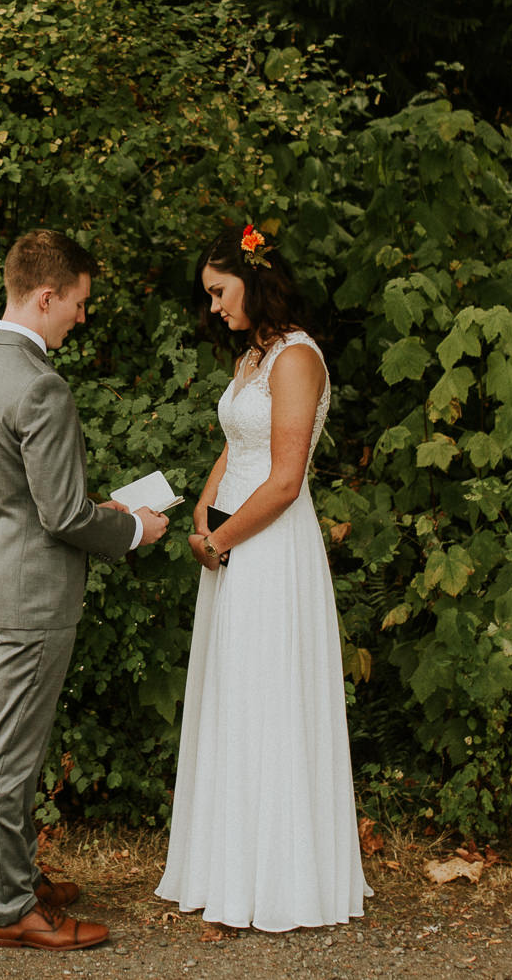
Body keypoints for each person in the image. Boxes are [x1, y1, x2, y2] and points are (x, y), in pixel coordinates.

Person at [0, 229, 171, 951]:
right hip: (33, 595)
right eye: (77, 302)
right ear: (46, 296)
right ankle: (12, 909)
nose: (81, 315)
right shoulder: (40, 384)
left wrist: (91, 506)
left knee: (13, 744)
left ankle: (17, 877)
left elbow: (20, 497)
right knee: (8, 757)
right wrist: (134, 529)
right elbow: (64, 515)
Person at [154, 223, 370, 933]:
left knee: (267, 699)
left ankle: (278, 882)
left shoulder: (296, 357)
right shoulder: (255, 355)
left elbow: (283, 481)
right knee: (232, 698)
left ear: (255, 275)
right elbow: (231, 449)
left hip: (269, 548)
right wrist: (202, 525)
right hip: (230, 545)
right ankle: (228, 873)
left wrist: (220, 536)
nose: (214, 306)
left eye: (219, 290)